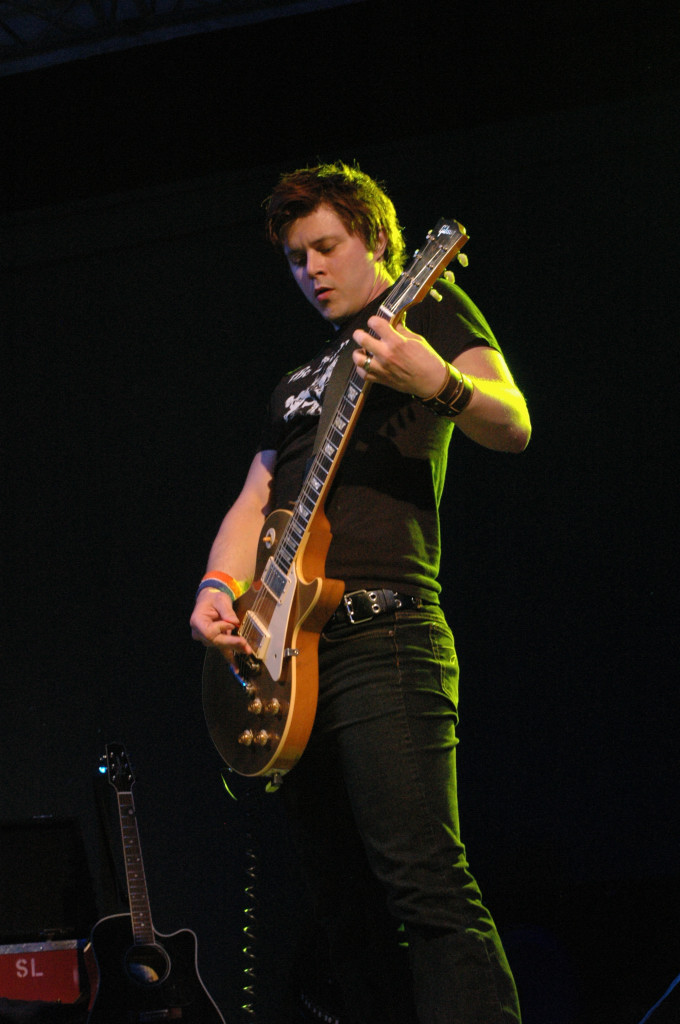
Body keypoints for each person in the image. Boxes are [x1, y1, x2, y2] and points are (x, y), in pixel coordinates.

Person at [190, 161, 531, 1024]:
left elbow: (513, 422)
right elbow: (255, 499)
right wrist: (218, 586)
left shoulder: (428, 314)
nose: (312, 270)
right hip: (291, 657)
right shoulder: (293, 384)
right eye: (296, 258)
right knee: (344, 909)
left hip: (386, 637)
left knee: (424, 883)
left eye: (326, 247)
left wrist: (437, 380)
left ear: (377, 239)